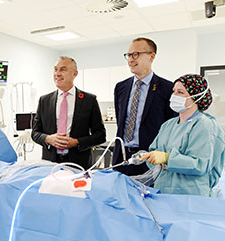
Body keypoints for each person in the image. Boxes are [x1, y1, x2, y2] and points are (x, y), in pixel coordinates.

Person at [141, 74, 225, 197]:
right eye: (173, 91)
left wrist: (167, 159)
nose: (174, 96)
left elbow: (199, 165)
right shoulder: (168, 125)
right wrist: (152, 158)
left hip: (190, 195)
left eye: (180, 92)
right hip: (163, 190)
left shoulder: (204, 125)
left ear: (196, 97)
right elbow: (153, 152)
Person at [113, 37, 177, 176]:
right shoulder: (121, 87)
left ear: (151, 56)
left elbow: (171, 127)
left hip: (150, 158)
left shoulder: (167, 88)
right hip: (122, 157)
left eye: (136, 54)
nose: (131, 59)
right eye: (128, 55)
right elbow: (120, 120)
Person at [31, 56, 106, 170]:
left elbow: (100, 135)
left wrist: (76, 142)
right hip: (50, 163)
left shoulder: (89, 100)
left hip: (80, 163)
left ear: (74, 74)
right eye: (55, 69)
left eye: (63, 69)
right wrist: (48, 139)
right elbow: (35, 133)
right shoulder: (44, 100)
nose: (57, 73)